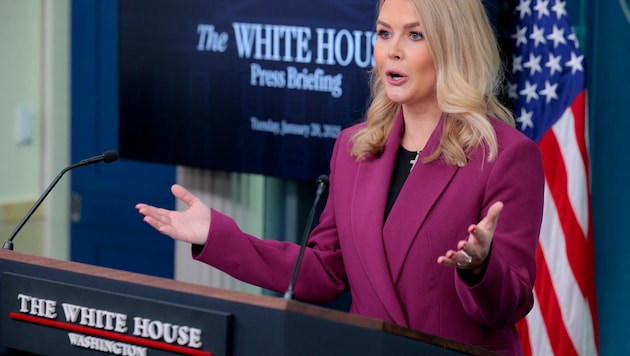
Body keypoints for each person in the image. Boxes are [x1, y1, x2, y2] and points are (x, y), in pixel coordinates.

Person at [136, 0, 544, 354]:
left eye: (415, 36)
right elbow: (326, 271)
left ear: (454, 47)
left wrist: (479, 269)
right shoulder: (356, 148)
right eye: (384, 34)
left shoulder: (504, 156)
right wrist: (217, 235)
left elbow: (511, 305)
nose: (392, 52)